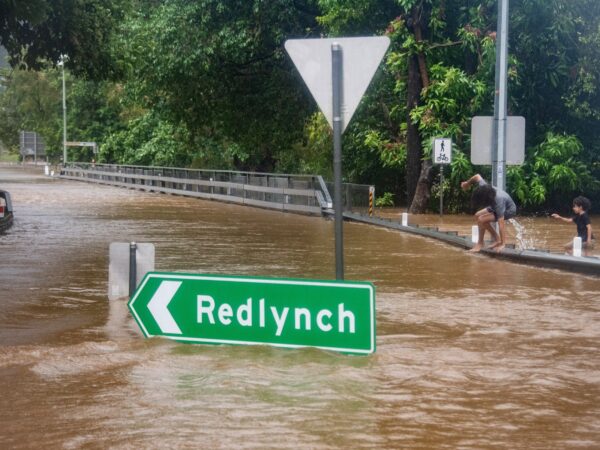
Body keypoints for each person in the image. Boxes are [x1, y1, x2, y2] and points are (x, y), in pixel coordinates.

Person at [460, 174, 517, 253]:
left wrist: (503, 244)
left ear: (485, 199)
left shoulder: (498, 201)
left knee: (481, 219)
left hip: (509, 210)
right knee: (477, 215)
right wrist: (467, 183)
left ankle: (480, 243)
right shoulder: (484, 187)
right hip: (493, 204)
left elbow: (501, 224)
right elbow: (477, 176)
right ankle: (497, 239)